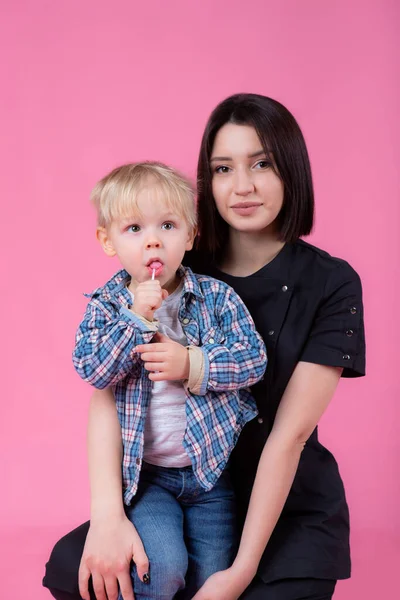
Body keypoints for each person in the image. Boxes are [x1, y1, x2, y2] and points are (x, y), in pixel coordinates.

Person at [43, 94, 365, 600]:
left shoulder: (330, 282)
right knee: (83, 567)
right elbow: (106, 386)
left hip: (275, 499)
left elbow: (290, 435)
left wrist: (237, 574)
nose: (242, 186)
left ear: (292, 169)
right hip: (162, 481)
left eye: (262, 163)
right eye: (222, 168)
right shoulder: (174, 265)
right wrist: (106, 515)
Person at [46, 160, 267, 600]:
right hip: (149, 479)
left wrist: (191, 363)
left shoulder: (217, 298)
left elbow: (252, 359)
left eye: (167, 225)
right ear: (107, 242)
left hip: (209, 478)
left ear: (189, 236)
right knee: (161, 570)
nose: (152, 239)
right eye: (133, 229)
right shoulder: (108, 306)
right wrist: (133, 319)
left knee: (211, 581)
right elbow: (92, 370)